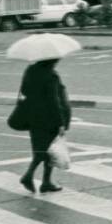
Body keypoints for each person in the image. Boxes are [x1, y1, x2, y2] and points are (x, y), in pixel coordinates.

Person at [17, 59, 71, 194]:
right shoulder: (51, 75)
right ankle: (31, 177)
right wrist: (61, 122)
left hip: (32, 116)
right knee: (48, 150)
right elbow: (54, 101)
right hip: (48, 119)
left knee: (41, 149)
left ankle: (45, 181)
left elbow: (23, 90)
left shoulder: (30, 70)